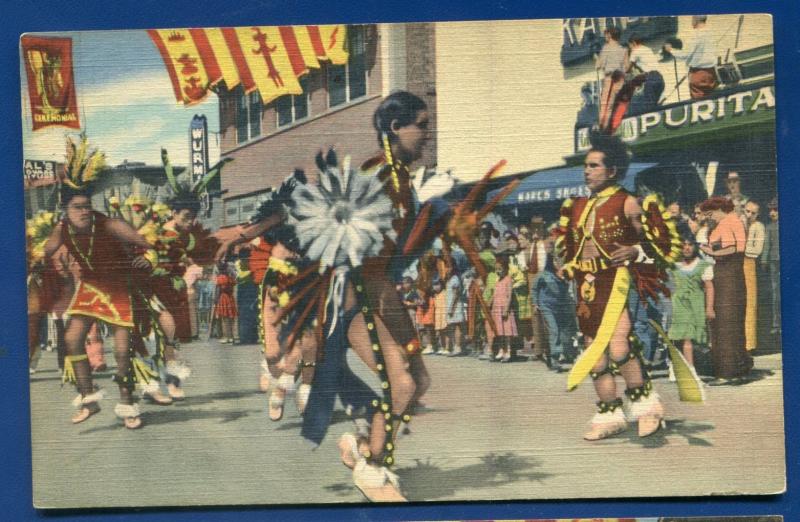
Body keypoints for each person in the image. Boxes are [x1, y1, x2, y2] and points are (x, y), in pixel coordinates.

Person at [554, 133, 681, 440]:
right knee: (593, 354)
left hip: (617, 282)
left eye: (594, 166)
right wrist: (567, 266)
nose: (587, 171)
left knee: (619, 346)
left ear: (611, 171)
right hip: (586, 286)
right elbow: (571, 246)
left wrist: (636, 251)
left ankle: (646, 407)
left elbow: (661, 247)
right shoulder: (576, 205)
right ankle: (610, 412)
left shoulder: (628, 202)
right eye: (585, 165)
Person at [43, 136, 156, 429]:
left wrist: (150, 258)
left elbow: (150, 245)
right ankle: (88, 397)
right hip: (91, 289)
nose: (84, 211)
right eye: (77, 207)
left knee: (121, 351)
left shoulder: (110, 224)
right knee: (70, 340)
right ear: (66, 210)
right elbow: (44, 250)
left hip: (120, 288)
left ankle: (129, 404)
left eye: (86, 205)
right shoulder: (61, 228)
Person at [698, 197, 752, 384]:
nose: (709, 218)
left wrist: (710, 251)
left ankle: (727, 372)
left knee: (725, 323)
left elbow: (733, 248)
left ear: (720, 209)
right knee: (731, 322)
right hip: (730, 275)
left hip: (727, 275)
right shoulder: (731, 221)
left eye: (710, 214)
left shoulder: (729, 221)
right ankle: (739, 368)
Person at [667, 238, 714, 372]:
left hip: (696, 304)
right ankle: (684, 368)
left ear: (695, 247)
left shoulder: (702, 265)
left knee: (690, 337)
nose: (686, 248)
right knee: (680, 336)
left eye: (690, 245)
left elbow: (709, 287)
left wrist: (709, 307)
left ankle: (688, 367)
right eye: (683, 245)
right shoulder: (674, 266)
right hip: (679, 304)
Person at [533, 244, 577, 372]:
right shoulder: (543, 275)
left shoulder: (565, 274)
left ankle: (559, 354)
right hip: (546, 306)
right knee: (554, 330)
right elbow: (535, 288)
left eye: (560, 261)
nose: (558, 263)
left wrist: (564, 278)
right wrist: (535, 303)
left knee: (562, 332)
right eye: (555, 261)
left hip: (560, 307)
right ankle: (554, 359)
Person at [664, 15, 719, 99]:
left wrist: (671, 50)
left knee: (698, 102)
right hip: (711, 72)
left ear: (695, 19)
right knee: (712, 98)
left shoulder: (696, 35)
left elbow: (685, 55)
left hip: (698, 74)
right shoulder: (711, 32)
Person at [743, 200, 765, 352]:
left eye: (753, 212)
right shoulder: (740, 223)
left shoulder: (759, 227)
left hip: (749, 264)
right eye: (747, 211)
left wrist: (741, 248)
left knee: (750, 303)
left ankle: (750, 344)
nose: (749, 215)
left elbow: (756, 250)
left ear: (758, 214)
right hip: (737, 265)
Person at [595, 27, 627, 131]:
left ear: (609, 35)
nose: (605, 36)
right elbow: (627, 67)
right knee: (615, 104)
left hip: (611, 77)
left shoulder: (606, 47)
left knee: (606, 104)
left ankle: (603, 127)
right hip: (620, 78)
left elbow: (598, 65)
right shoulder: (623, 49)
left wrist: (596, 58)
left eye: (606, 34)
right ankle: (614, 126)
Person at [625, 34, 665, 111]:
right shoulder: (647, 49)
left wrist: (627, 54)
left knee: (648, 107)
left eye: (629, 45)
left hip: (651, 79)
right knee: (654, 105)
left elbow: (627, 69)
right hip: (660, 78)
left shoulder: (635, 51)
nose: (630, 47)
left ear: (633, 43)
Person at [490, 250, 517, 362]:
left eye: (500, 269)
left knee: (506, 332)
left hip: (504, 308)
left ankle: (508, 351)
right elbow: (494, 294)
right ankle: (501, 350)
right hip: (497, 308)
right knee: (499, 332)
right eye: (496, 270)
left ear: (505, 269)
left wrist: (506, 309)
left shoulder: (508, 280)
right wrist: (490, 303)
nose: (498, 272)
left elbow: (509, 295)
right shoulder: (498, 280)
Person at [761, 198, 780, 335]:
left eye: (776, 210)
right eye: (770, 210)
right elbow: (766, 245)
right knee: (775, 293)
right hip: (774, 262)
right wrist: (764, 260)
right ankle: (776, 323)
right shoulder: (769, 227)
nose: (772, 213)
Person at [214, 262, 238, 344]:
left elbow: (218, 290)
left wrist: (215, 300)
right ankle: (231, 336)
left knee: (224, 318)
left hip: (223, 298)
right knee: (230, 317)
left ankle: (226, 337)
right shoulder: (230, 278)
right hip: (230, 298)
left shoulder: (220, 278)